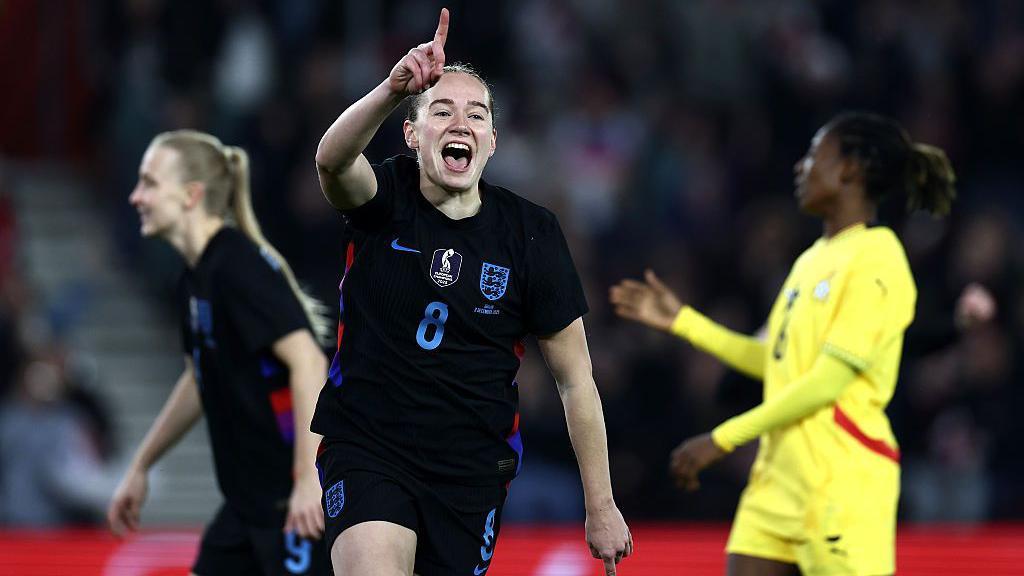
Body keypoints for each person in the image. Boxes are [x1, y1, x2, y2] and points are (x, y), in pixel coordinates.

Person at [311, 8, 631, 576]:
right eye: (442, 110)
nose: (461, 122)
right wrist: (392, 89)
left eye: (476, 114)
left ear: (491, 142)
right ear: (412, 135)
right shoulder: (386, 198)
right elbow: (332, 162)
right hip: (369, 448)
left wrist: (600, 505)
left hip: (470, 472)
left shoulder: (531, 234)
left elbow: (575, 380)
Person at [610, 112, 957, 576]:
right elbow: (776, 360)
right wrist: (684, 322)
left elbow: (828, 381)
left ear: (851, 169)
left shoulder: (879, 257)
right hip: (777, 483)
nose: (801, 166)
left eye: (816, 155)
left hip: (841, 483)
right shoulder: (810, 261)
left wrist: (722, 438)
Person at [108, 130, 331, 576]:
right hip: (248, 507)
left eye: (149, 183)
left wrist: (310, 480)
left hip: (289, 505)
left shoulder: (236, 265)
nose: (136, 197)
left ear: (191, 195)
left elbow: (309, 360)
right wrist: (141, 465)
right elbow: (198, 378)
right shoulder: (195, 279)